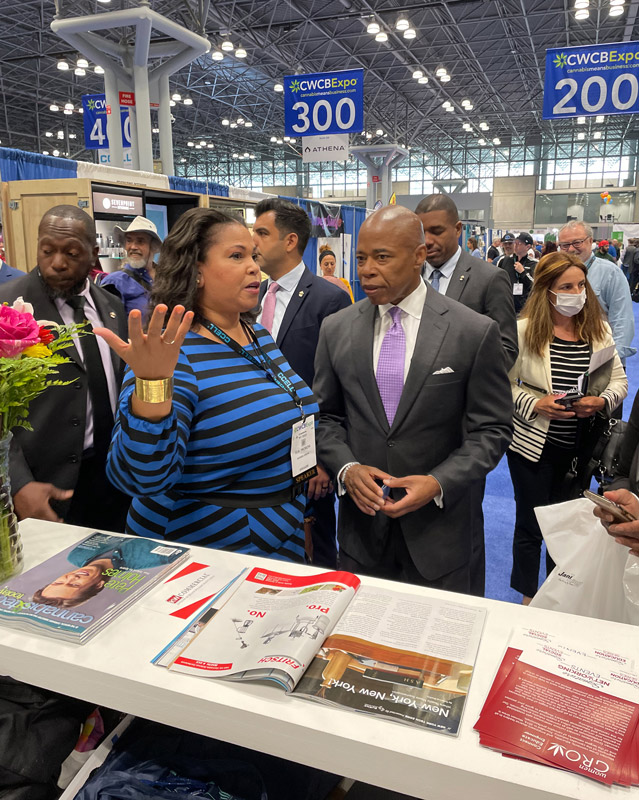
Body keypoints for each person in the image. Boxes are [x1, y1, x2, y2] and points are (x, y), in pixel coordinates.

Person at [98, 208, 318, 563]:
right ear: (196, 271)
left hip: (279, 532)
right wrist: (152, 384)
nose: (254, 268)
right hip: (204, 549)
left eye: (252, 255)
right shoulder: (175, 351)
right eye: (236, 256)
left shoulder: (256, 334)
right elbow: (140, 478)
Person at [313, 205, 513, 595]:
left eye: (382, 257)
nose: (366, 269)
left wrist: (438, 482)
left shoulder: (473, 331)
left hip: (441, 537)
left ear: (419, 256)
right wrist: (346, 469)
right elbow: (326, 417)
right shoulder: (336, 329)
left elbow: (491, 430)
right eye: (361, 258)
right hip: (362, 536)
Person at [507, 251, 627, 604]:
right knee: (530, 526)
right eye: (567, 286)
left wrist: (602, 401)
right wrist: (534, 404)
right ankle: (529, 600)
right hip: (532, 446)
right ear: (547, 291)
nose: (577, 292)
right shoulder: (523, 332)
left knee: (569, 527)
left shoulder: (598, 330)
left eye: (581, 285)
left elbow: (618, 381)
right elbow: (502, 385)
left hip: (580, 450)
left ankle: (558, 596)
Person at [0, 205, 130, 531]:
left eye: (72, 253)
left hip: (114, 481)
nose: (57, 263)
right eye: (47, 251)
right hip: (40, 487)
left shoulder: (112, 307)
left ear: (94, 253)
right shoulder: (8, 307)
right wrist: (17, 482)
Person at [253, 198, 351, 568]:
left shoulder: (331, 300)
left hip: (309, 452)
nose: (254, 242)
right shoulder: (255, 296)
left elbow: (336, 390)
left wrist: (322, 460)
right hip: (261, 452)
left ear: (290, 241)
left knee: (318, 543)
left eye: (262, 233)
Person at [416, 193, 518, 369]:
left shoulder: (490, 279)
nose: (427, 241)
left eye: (436, 231)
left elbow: (506, 350)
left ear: (457, 229)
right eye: (421, 233)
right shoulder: (411, 276)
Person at [557, 221, 635, 363]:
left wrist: (611, 359)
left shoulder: (611, 273)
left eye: (577, 242)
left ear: (590, 241)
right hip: (563, 355)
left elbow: (622, 320)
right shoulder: (555, 273)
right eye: (565, 245)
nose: (571, 249)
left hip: (601, 355)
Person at [32, 535, 183, 608]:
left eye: (59, 582)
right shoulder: (149, 563)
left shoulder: (75, 556)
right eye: (74, 585)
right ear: (98, 585)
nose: (71, 578)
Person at [100, 216, 161, 316]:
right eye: (129, 240)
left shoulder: (167, 278)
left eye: (140, 241)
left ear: (153, 246)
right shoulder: (115, 282)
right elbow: (108, 324)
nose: (133, 247)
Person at [495, 232, 533, 314]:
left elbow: (536, 286)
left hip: (526, 308)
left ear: (528, 246)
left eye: (519, 243)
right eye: (515, 242)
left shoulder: (534, 264)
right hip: (507, 307)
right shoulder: (504, 261)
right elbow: (496, 282)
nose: (515, 245)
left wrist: (523, 272)